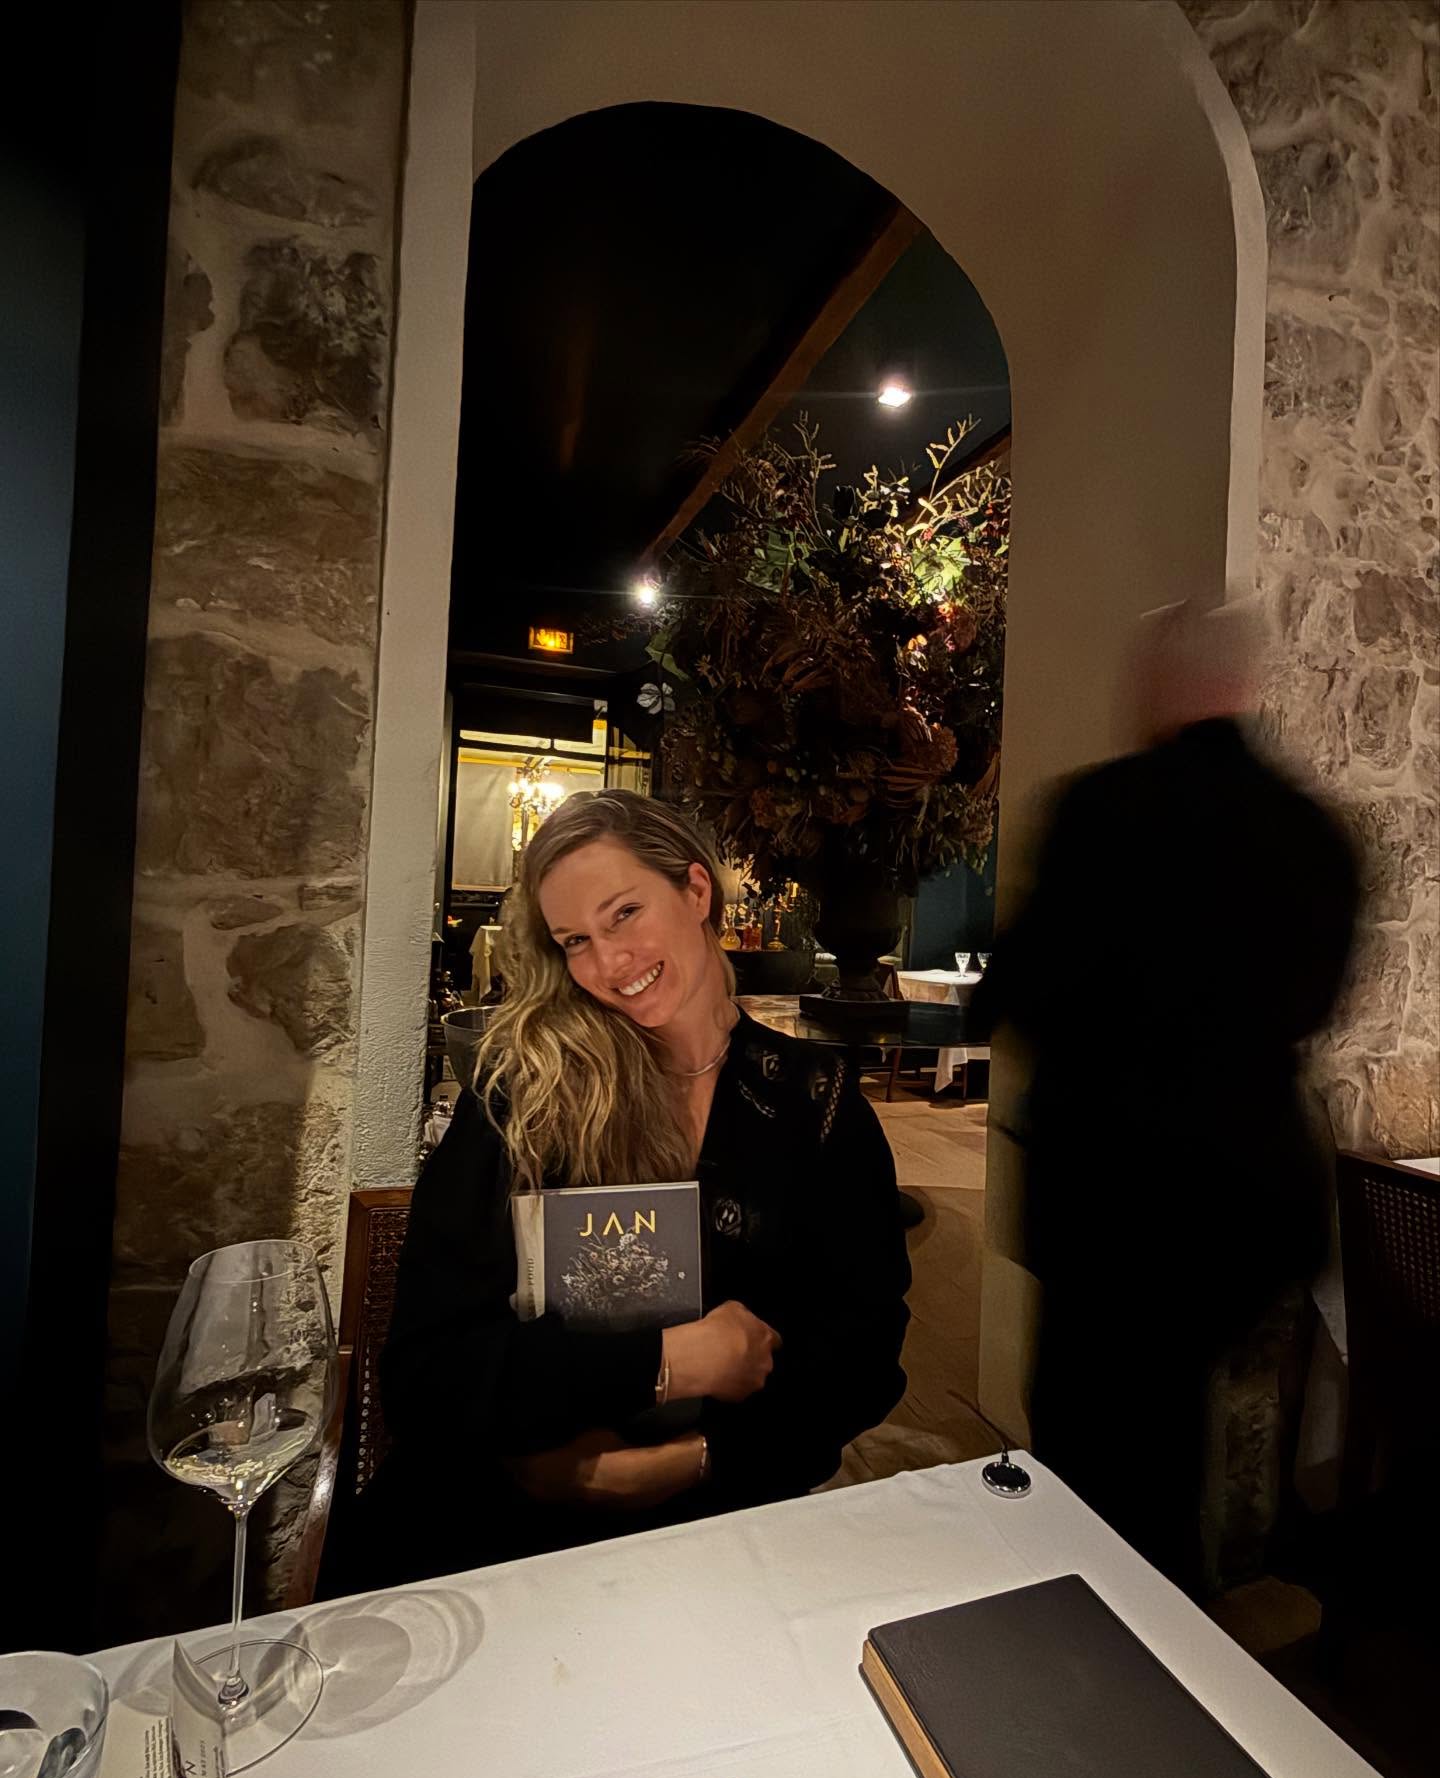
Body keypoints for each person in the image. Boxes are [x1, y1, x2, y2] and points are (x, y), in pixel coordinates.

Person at [348, 790, 910, 1587]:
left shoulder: (814, 1103)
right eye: (575, 940)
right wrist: (666, 1362)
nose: (609, 964)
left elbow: (864, 1358)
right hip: (496, 1535)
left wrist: (701, 1458)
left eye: (624, 914)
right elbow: (425, 1379)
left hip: (720, 1536)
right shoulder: (525, 1095)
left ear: (695, 890)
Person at [972, 595, 1359, 1591]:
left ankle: (1090, 1620)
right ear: (1247, 684)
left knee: (1090, 1442)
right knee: (1185, 1431)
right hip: (1246, 1203)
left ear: (1160, 684)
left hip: (1109, 1195)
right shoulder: (1315, 833)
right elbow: (1315, 1007)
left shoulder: (1101, 810)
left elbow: (1020, 991)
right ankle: (1184, 1607)